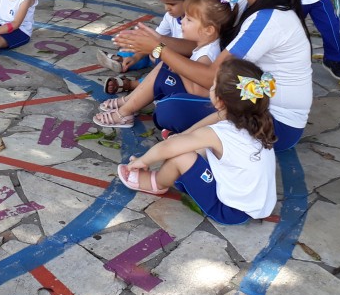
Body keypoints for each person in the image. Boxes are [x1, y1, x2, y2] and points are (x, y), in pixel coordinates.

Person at [116, 0, 313, 150]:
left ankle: (170, 129)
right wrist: (157, 41)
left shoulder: (268, 19)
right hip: (245, 99)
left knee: (170, 109)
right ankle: (130, 107)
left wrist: (158, 48)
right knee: (170, 73)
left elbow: (212, 77)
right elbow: (201, 44)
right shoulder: (250, 0)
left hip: (275, 122)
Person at [116, 58, 277, 225]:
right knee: (192, 145)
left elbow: (169, 147)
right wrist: (183, 136)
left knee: (181, 155)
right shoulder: (257, 121)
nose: (211, 88)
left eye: (213, 85)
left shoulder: (218, 134)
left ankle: (155, 182)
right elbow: (215, 118)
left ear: (220, 100)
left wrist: (143, 160)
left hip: (230, 211)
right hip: (256, 204)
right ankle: (181, 166)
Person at [93, 0, 237, 134]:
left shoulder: (208, 54)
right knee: (164, 65)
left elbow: (199, 90)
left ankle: (124, 114)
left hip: (193, 100)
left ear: (208, 30)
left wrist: (177, 69)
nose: (182, 23)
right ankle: (129, 101)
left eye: (189, 19)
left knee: (163, 72)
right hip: (187, 91)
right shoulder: (204, 46)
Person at [96, 0, 203, 96]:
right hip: (164, 51)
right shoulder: (171, 16)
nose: (167, 9)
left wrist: (156, 49)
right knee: (146, 53)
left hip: (181, 62)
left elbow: (191, 49)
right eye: (165, 4)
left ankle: (132, 84)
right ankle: (123, 60)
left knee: (161, 68)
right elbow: (157, 38)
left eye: (172, 4)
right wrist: (136, 56)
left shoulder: (198, 23)